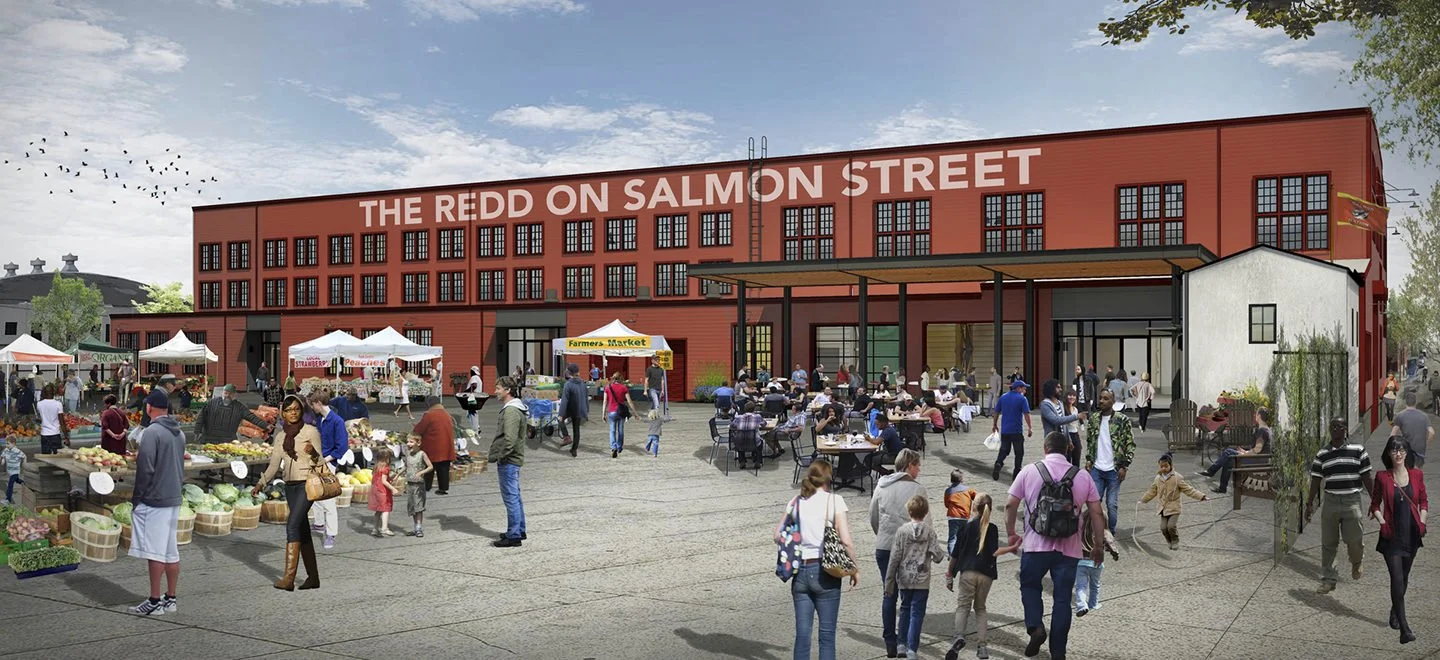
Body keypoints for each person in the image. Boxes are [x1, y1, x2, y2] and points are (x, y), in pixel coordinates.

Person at [1005, 431, 1105, 660]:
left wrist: (1011, 533)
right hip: (1069, 549)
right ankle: (1058, 652)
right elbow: (1097, 513)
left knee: (1030, 586)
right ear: (1068, 449)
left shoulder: (1029, 471)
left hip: (1035, 546)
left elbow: (1011, 504)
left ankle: (1035, 627)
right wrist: (1098, 546)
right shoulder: (1082, 476)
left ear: (1045, 448)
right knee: (1062, 600)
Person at [777, 460, 858, 660]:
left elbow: (777, 535)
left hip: (801, 572)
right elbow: (846, 540)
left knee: (803, 635)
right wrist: (854, 568)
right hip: (825, 572)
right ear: (829, 478)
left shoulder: (796, 501)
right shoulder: (834, 501)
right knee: (827, 636)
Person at [126, 389, 186, 615]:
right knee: (171, 551)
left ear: (149, 407)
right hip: (174, 496)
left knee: (155, 552)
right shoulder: (179, 433)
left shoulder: (152, 432)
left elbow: (145, 468)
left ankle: (153, 601)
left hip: (155, 499)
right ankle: (170, 598)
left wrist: (137, 498)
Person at [254, 395, 323, 590]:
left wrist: (313, 452)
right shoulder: (280, 437)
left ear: (301, 411)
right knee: (302, 530)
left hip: (307, 484)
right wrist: (261, 483)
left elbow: (321, 463)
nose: (293, 413)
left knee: (292, 525)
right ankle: (313, 578)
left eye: (296, 409)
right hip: (290, 486)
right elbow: (274, 465)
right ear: (283, 413)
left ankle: (288, 579)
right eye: (288, 410)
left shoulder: (311, 431)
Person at [870, 449, 928, 658]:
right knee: (907, 597)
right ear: (909, 466)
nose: (919, 469)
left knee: (889, 593)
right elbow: (925, 523)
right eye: (917, 465)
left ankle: (890, 641)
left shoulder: (881, 485)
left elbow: (873, 516)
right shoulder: (917, 489)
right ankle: (903, 641)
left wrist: (883, 535)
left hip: (884, 546)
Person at [1307, 418, 1376, 594]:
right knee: (1328, 543)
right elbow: (1315, 480)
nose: (1335, 429)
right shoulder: (1322, 454)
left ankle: (1357, 561)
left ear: (1345, 429)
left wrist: (1375, 502)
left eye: (1339, 426)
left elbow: (1367, 478)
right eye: (1332, 427)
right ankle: (1329, 580)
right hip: (1330, 501)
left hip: (1351, 500)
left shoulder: (1358, 450)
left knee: (1354, 539)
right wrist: (1309, 503)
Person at [1369, 437, 1427, 644]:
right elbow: (1375, 504)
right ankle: (1404, 629)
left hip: (1411, 534)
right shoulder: (1382, 477)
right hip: (1391, 535)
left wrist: (1422, 522)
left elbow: (1423, 502)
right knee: (1397, 579)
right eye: (1394, 450)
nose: (1398, 453)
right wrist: (1382, 522)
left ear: (1407, 452)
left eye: (1401, 449)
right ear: (1389, 454)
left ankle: (1395, 612)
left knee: (1404, 576)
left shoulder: (1417, 475)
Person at [885, 494, 946, 660]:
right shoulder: (929, 532)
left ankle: (901, 644)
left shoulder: (902, 532)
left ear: (909, 511)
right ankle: (912, 649)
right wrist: (934, 555)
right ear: (925, 512)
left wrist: (889, 581)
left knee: (904, 608)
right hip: (922, 579)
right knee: (917, 614)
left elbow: (895, 557)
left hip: (904, 578)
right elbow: (938, 556)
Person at [943, 491, 997, 660]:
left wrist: (950, 574)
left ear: (973, 507)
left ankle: (959, 636)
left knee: (963, 607)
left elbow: (956, 553)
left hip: (968, 572)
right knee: (980, 608)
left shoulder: (966, 527)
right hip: (986, 574)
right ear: (990, 509)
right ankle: (982, 647)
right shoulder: (993, 529)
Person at [1084, 390, 1134, 536]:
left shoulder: (1122, 420)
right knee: (1094, 502)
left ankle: (1110, 532)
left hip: (1114, 470)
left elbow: (1130, 443)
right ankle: (1095, 530)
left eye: (1106, 398)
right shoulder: (1094, 419)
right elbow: (1090, 441)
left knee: (1111, 504)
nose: (1101, 401)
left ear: (1113, 402)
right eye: (1100, 398)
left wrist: (1124, 466)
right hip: (1097, 469)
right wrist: (1089, 459)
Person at [1139, 454, 1208, 550]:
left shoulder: (1177, 478)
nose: (1163, 468)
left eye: (1166, 466)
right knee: (1163, 528)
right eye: (1161, 466)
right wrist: (1143, 500)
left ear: (1171, 465)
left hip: (1174, 507)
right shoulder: (1158, 479)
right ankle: (1169, 540)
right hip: (1163, 508)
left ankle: (1175, 540)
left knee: (1171, 526)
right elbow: (1152, 491)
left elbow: (1189, 490)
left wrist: (1201, 496)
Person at [306, 392, 348, 550]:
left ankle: (331, 534)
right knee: (315, 493)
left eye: (312, 404)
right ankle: (319, 524)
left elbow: (342, 447)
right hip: (317, 460)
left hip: (328, 463)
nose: (312, 408)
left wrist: (327, 460)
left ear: (318, 403)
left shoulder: (337, 421)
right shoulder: (320, 419)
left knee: (328, 499)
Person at [490, 376, 528, 547]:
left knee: (511, 498)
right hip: (513, 459)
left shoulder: (511, 411)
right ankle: (519, 529)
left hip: (509, 460)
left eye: (498, 388)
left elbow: (510, 440)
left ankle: (514, 536)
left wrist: (502, 456)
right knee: (515, 496)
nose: (495, 391)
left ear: (508, 390)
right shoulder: (514, 408)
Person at [1199, 407, 1272, 494]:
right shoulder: (1267, 429)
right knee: (1229, 460)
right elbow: (1259, 450)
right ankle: (1222, 487)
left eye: (1256, 414)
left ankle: (1211, 471)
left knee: (1228, 452)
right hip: (1259, 459)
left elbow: (1257, 450)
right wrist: (1245, 452)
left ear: (1259, 416)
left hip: (1256, 461)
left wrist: (1243, 454)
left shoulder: (1262, 431)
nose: (1255, 416)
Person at [195, 384, 274, 444]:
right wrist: (197, 431)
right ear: (223, 393)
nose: (227, 396)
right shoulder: (212, 403)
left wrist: (265, 425)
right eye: (225, 393)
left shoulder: (238, 407)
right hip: (209, 438)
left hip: (227, 440)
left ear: (234, 395)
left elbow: (252, 417)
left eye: (230, 394)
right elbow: (201, 417)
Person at [990, 380, 1033, 483]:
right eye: (1024, 388)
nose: (1025, 390)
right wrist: (1030, 427)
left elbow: (996, 412)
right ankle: (1016, 472)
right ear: (1018, 388)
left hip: (1005, 430)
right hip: (1016, 430)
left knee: (1004, 450)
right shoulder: (1022, 399)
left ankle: (998, 463)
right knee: (1019, 452)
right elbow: (1026, 414)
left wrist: (994, 424)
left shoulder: (1003, 397)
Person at [413, 397, 456, 495]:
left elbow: (420, 429)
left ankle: (427, 486)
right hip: (447, 445)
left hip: (433, 445)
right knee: (443, 468)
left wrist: (415, 428)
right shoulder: (446, 414)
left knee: (429, 466)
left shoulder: (429, 415)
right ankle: (443, 488)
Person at [1072, 507, 1110, 618]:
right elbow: (1110, 542)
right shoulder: (1102, 533)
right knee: (1095, 584)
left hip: (1081, 563)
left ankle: (1082, 605)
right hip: (1096, 563)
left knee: (1081, 586)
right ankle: (1093, 603)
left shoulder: (1079, 532)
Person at [403, 433, 434, 537]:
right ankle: (415, 527)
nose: (408, 444)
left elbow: (430, 466)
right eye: (408, 441)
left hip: (419, 485)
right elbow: (406, 466)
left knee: (419, 507)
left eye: (411, 442)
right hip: (410, 484)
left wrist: (421, 472)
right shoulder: (408, 454)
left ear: (418, 443)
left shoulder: (422, 454)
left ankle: (419, 528)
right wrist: (397, 474)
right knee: (412, 507)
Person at [1390, 392, 1432, 468]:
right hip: (1420, 448)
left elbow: (1393, 434)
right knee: (1417, 469)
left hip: (1406, 448)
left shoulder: (1400, 415)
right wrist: (1425, 442)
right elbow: (1432, 432)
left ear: (1406, 402)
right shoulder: (1424, 416)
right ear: (1415, 402)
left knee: (1407, 469)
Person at [367, 446, 400, 537]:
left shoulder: (376, 467)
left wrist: (391, 478)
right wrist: (393, 488)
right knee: (385, 509)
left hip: (376, 490)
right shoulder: (385, 468)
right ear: (386, 458)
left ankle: (375, 529)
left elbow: (379, 479)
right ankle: (384, 528)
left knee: (378, 510)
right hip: (383, 491)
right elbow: (384, 481)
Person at [557, 363, 589, 458]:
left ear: (569, 372)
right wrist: (586, 410)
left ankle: (566, 437)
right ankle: (574, 450)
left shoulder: (568, 384)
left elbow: (565, 400)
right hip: (579, 410)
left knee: (560, 420)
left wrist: (561, 414)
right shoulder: (583, 383)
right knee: (576, 429)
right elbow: (586, 398)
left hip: (570, 409)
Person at [944, 470, 978, 554]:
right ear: (961, 479)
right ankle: (962, 555)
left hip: (953, 516)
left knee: (952, 538)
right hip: (964, 516)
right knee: (963, 536)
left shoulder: (948, 491)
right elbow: (977, 497)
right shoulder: (968, 490)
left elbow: (946, 504)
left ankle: (952, 555)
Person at [604, 373, 636, 458]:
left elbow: (605, 401)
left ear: (613, 378)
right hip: (621, 412)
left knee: (612, 430)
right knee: (620, 430)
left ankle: (613, 447)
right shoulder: (623, 387)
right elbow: (629, 401)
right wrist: (635, 413)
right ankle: (619, 447)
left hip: (611, 411)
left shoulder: (607, 387)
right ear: (621, 378)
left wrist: (603, 414)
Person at [36, 384, 68, 454]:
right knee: (57, 456)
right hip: (55, 433)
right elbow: (62, 422)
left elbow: (40, 418)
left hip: (44, 433)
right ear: (53, 393)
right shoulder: (58, 404)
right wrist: (66, 437)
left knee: (45, 456)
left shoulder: (39, 404)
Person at [3, 436, 24, 505]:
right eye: (6, 443)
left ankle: (8, 499)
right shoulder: (6, 450)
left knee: (10, 485)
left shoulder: (17, 451)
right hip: (10, 470)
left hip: (15, 471)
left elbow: (24, 456)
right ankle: (25, 483)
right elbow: (3, 456)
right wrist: (3, 461)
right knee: (17, 480)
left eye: (8, 443)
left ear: (14, 444)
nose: (6, 445)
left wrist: (24, 465)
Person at [463, 366, 484, 431]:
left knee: (472, 413)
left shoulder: (474, 377)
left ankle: (475, 429)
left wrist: (466, 391)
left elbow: (474, 385)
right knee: (472, 413)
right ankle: (477, 427)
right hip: (477, 397)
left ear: (472, 371)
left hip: (473, 397)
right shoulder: (479, 378)